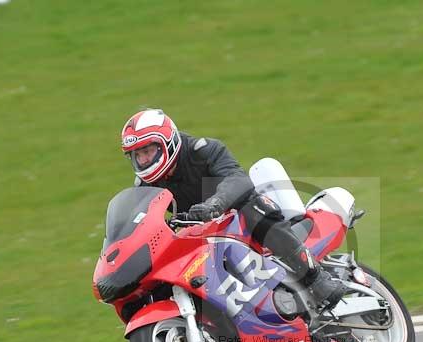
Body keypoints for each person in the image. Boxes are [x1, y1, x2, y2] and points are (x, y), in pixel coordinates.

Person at [120, 108, 346, 310]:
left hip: (237, 218)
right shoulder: (144, 187)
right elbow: (139, 225)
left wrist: (215, 205)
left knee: (254, 208)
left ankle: (315, 277)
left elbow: (238, 179)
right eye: (137, 155)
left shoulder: (203, 150)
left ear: (167, 142)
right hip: (203, 235)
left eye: (148, 151)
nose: (143, 159)